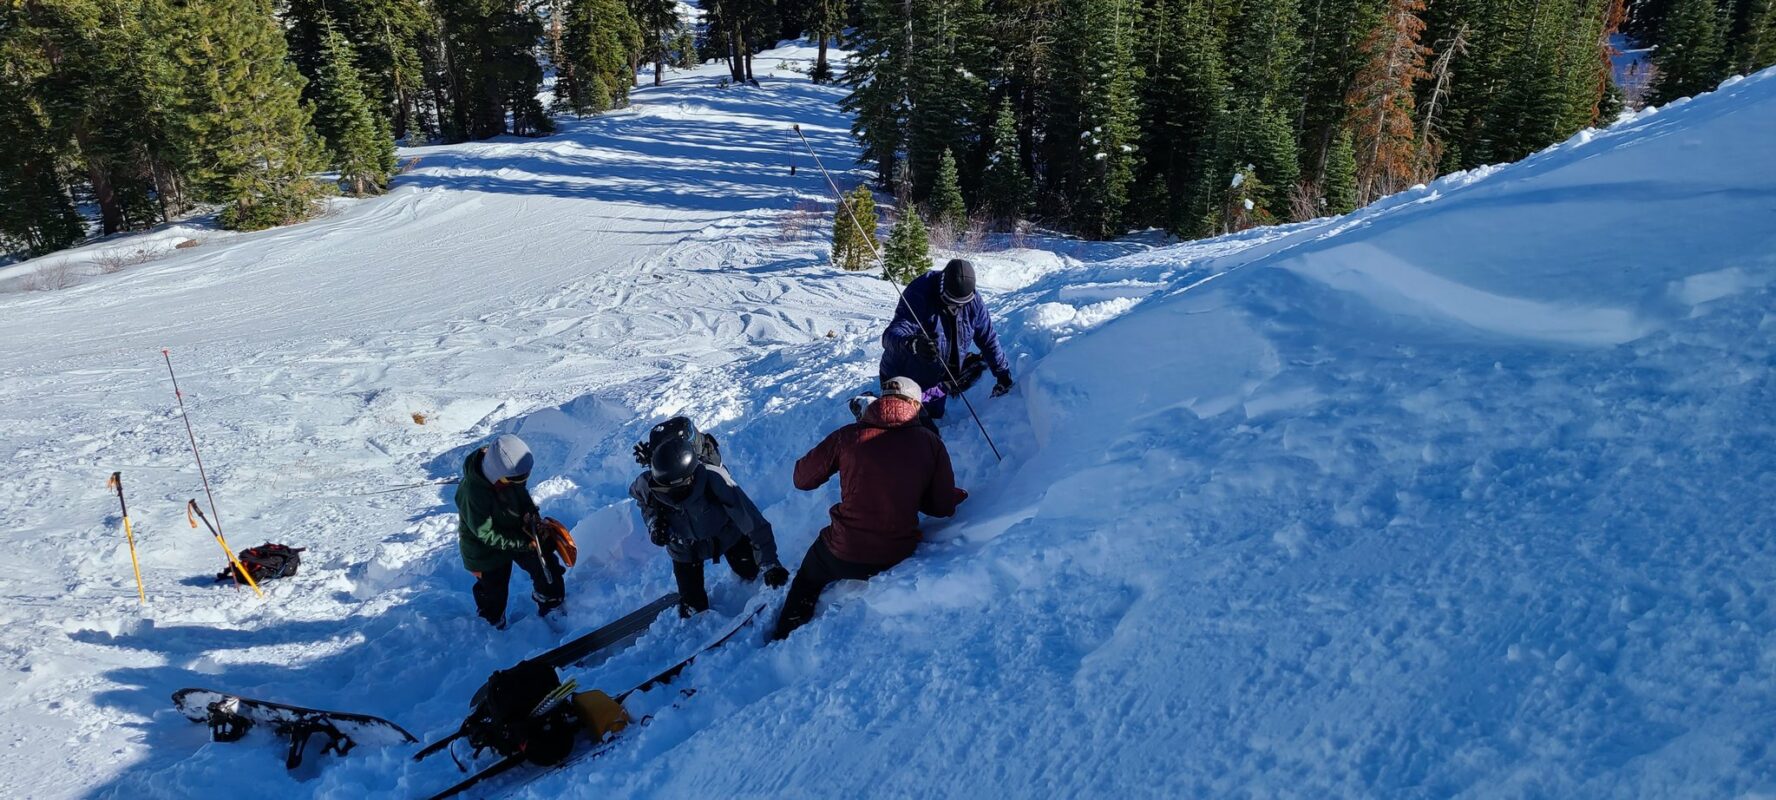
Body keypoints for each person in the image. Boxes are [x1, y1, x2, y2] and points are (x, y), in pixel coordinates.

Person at [771, 377, 967, 640]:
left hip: (842, 552)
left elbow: (801, 479)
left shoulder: (848, 436)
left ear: (882, 398)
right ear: (915, 405)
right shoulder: (930, 443)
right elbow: (942, 506)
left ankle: (785, 633)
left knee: (808, 576)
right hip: (897, 554)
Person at [630, 419, 788, 617]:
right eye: (663, 488)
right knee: (693, 607)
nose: (667, 493)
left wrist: (770, 563)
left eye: (672, 489)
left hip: (726, 536)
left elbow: (753, 521)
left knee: (750, 573)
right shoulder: (649, 483)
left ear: (688, 478)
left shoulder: (714, 479)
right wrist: (654, 523)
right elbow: (643, 501)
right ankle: (693, 611)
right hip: (684, 547)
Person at [879, 258, 1014, 424]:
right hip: (903, 376)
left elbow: (988, 338)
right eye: (951, 301)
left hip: (936, 377)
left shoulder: (974, 303)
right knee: (911, 427)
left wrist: (1003, 373)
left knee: (935, 417)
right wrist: (913, 344)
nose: (956, 307)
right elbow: (890, 336)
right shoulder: (919, 293)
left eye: (961, 303)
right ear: (942, 288)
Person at [456, 434, 566, 628]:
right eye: (514, 480)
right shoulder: (472, 494)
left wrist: (531, 513)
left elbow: (520, 493)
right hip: (484, 550)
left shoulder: (508, 474)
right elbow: (486, 534)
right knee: (493, 591)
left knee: (546, 564)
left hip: (515, 530)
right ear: (496, 475)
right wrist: (524, 543)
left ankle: (550, 601)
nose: (520, 482)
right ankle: (492, 623)